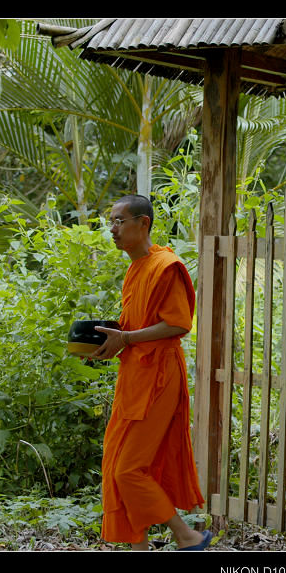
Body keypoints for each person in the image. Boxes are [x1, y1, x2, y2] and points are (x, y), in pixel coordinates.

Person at [89, 194, 211, 551]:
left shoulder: (165, 266)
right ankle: (139, 546)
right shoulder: (135, 268)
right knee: (116, 466)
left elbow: (177, 324)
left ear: (143, 224)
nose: (112, 229)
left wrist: (126, 337)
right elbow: (136, 329)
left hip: (159, 377)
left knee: (128, 469)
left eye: (119, 221)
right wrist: (112, 343)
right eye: (110, 221)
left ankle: (186, 535)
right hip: (135, 377)